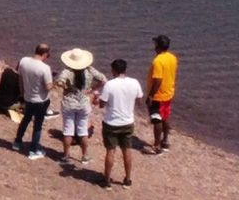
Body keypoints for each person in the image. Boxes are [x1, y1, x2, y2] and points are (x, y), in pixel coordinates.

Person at [99, 59, 145, 187]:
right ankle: (128, 179)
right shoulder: (134, 82)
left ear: (113, 70)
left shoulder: (110, 85)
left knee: (110, 151)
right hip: (127, 121)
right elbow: (139, 101)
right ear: (125, 70)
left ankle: (107, 180)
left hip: (111, 122)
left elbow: (102, 104)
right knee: (127, 150)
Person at [54, 48, 103, 165]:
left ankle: (66, 156)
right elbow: (102, 79)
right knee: (82, 130)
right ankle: (84, 156)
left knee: (68, 130)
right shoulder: (90, 70)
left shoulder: (67, 71)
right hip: (83, 103)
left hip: (69, 103)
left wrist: (67, 88)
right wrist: (92, 89)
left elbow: (59, 82)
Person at [13, 44, 54, 159]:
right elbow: (48, 87)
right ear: (45, 54)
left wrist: (22, 93)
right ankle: (33, 149)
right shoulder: (45, 68)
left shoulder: (24, 61)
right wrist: (54, 81)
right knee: (38, 125)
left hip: (28, 97)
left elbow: (20, 78)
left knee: (26, 119)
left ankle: (17, 141)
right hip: (40, 100)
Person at [147, 35, 178, 154]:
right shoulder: (172, 58)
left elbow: (158, 80)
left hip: (158, 95)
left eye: (155, 44)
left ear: (158, 46)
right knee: (165, 117)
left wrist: (151, 95)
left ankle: (156, 145)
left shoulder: (158, 61)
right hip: (168, 92)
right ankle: (165, 141)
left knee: (156, 119)